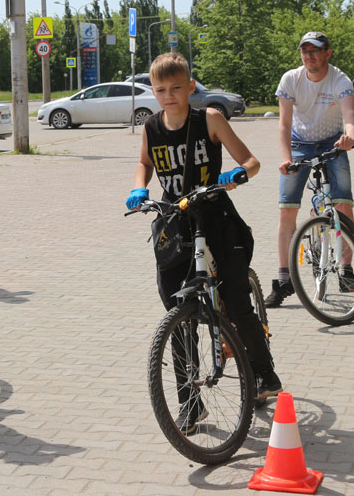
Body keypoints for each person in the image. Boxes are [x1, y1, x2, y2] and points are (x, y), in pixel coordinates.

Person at [126, 52, 281, 433]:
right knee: (177, 317)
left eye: (176, 88)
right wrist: (137, 186)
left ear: (190, 86)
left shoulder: (209, 118)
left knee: (237, 302)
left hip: (215, 218)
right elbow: (145, 162)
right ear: (152, 90)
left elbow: (252, 162)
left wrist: (236, 174)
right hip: (174, 221)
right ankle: (190, 404)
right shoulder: (150, 127)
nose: (168, 96)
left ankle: (264, 375)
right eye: (160, 89)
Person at [266, 32, 354, 308]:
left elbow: (350, 116)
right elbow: (284, 123)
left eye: (315, 51)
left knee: (343, 205)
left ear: (328, 53)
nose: (309, 56)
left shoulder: (340, 80)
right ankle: (284, 279)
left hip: (333, 143)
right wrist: (285, 158)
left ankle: (346, 269)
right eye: (305, 51)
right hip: (299, 145)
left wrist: (350, 137)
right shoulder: (290, 79)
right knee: (287, 208)